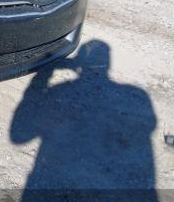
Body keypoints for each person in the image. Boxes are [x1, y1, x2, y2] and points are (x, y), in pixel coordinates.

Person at [10, 39, 157, 201]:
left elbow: (18, 136)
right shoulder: (136, 95)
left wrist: (44, 74)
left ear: (79, 63)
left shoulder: (59, 91)